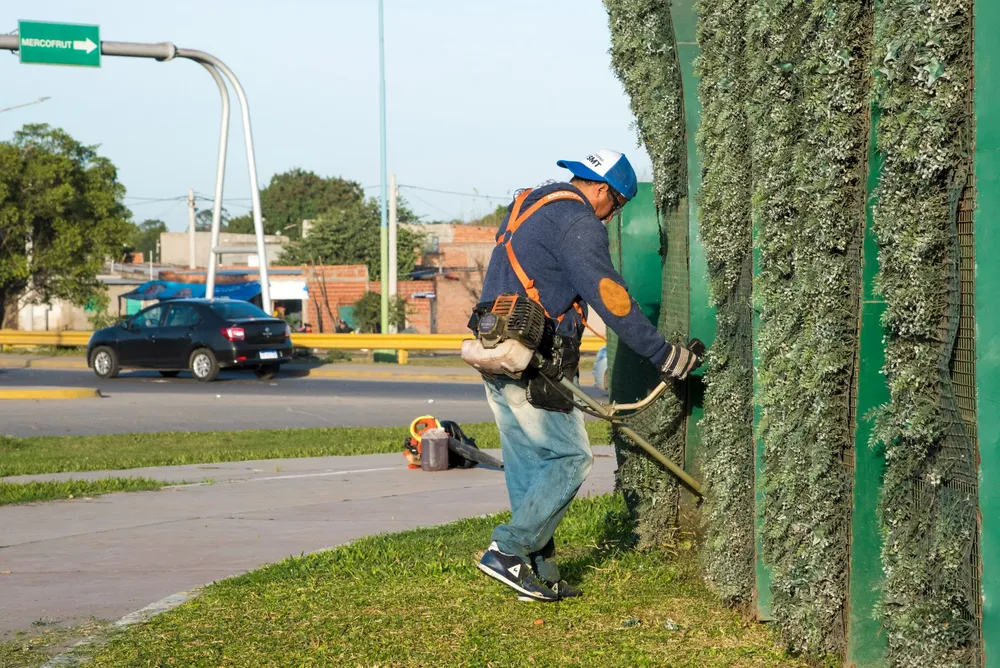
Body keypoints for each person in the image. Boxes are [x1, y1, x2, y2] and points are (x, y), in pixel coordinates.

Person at [474, 149, 699, 602]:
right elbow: (610, 296)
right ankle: (508, 549)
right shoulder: (577, 222)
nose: (613, 214)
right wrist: (662, 354)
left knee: (529, 466)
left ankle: (539, 572)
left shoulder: (529, 204)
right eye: (615, 204)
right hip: (536, 363)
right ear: (600, 190)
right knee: (571, 458)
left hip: (494, 350)